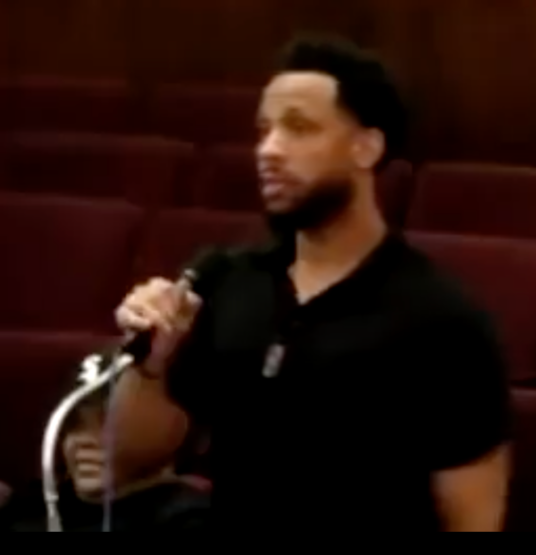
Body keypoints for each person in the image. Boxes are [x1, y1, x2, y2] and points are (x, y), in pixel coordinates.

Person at [107, 36, 513, 532]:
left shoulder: (441, 320)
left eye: (298, 128)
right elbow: (128, 462)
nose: (269, 150)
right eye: (264, 131)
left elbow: (474, 519)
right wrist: (152, 363)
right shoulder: (231, 282)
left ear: (367, 147)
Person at [0, 353, 210, 532]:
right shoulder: (31, 506)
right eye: (73, 424)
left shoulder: (185, 516)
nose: (84, 440)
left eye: (108, 423)